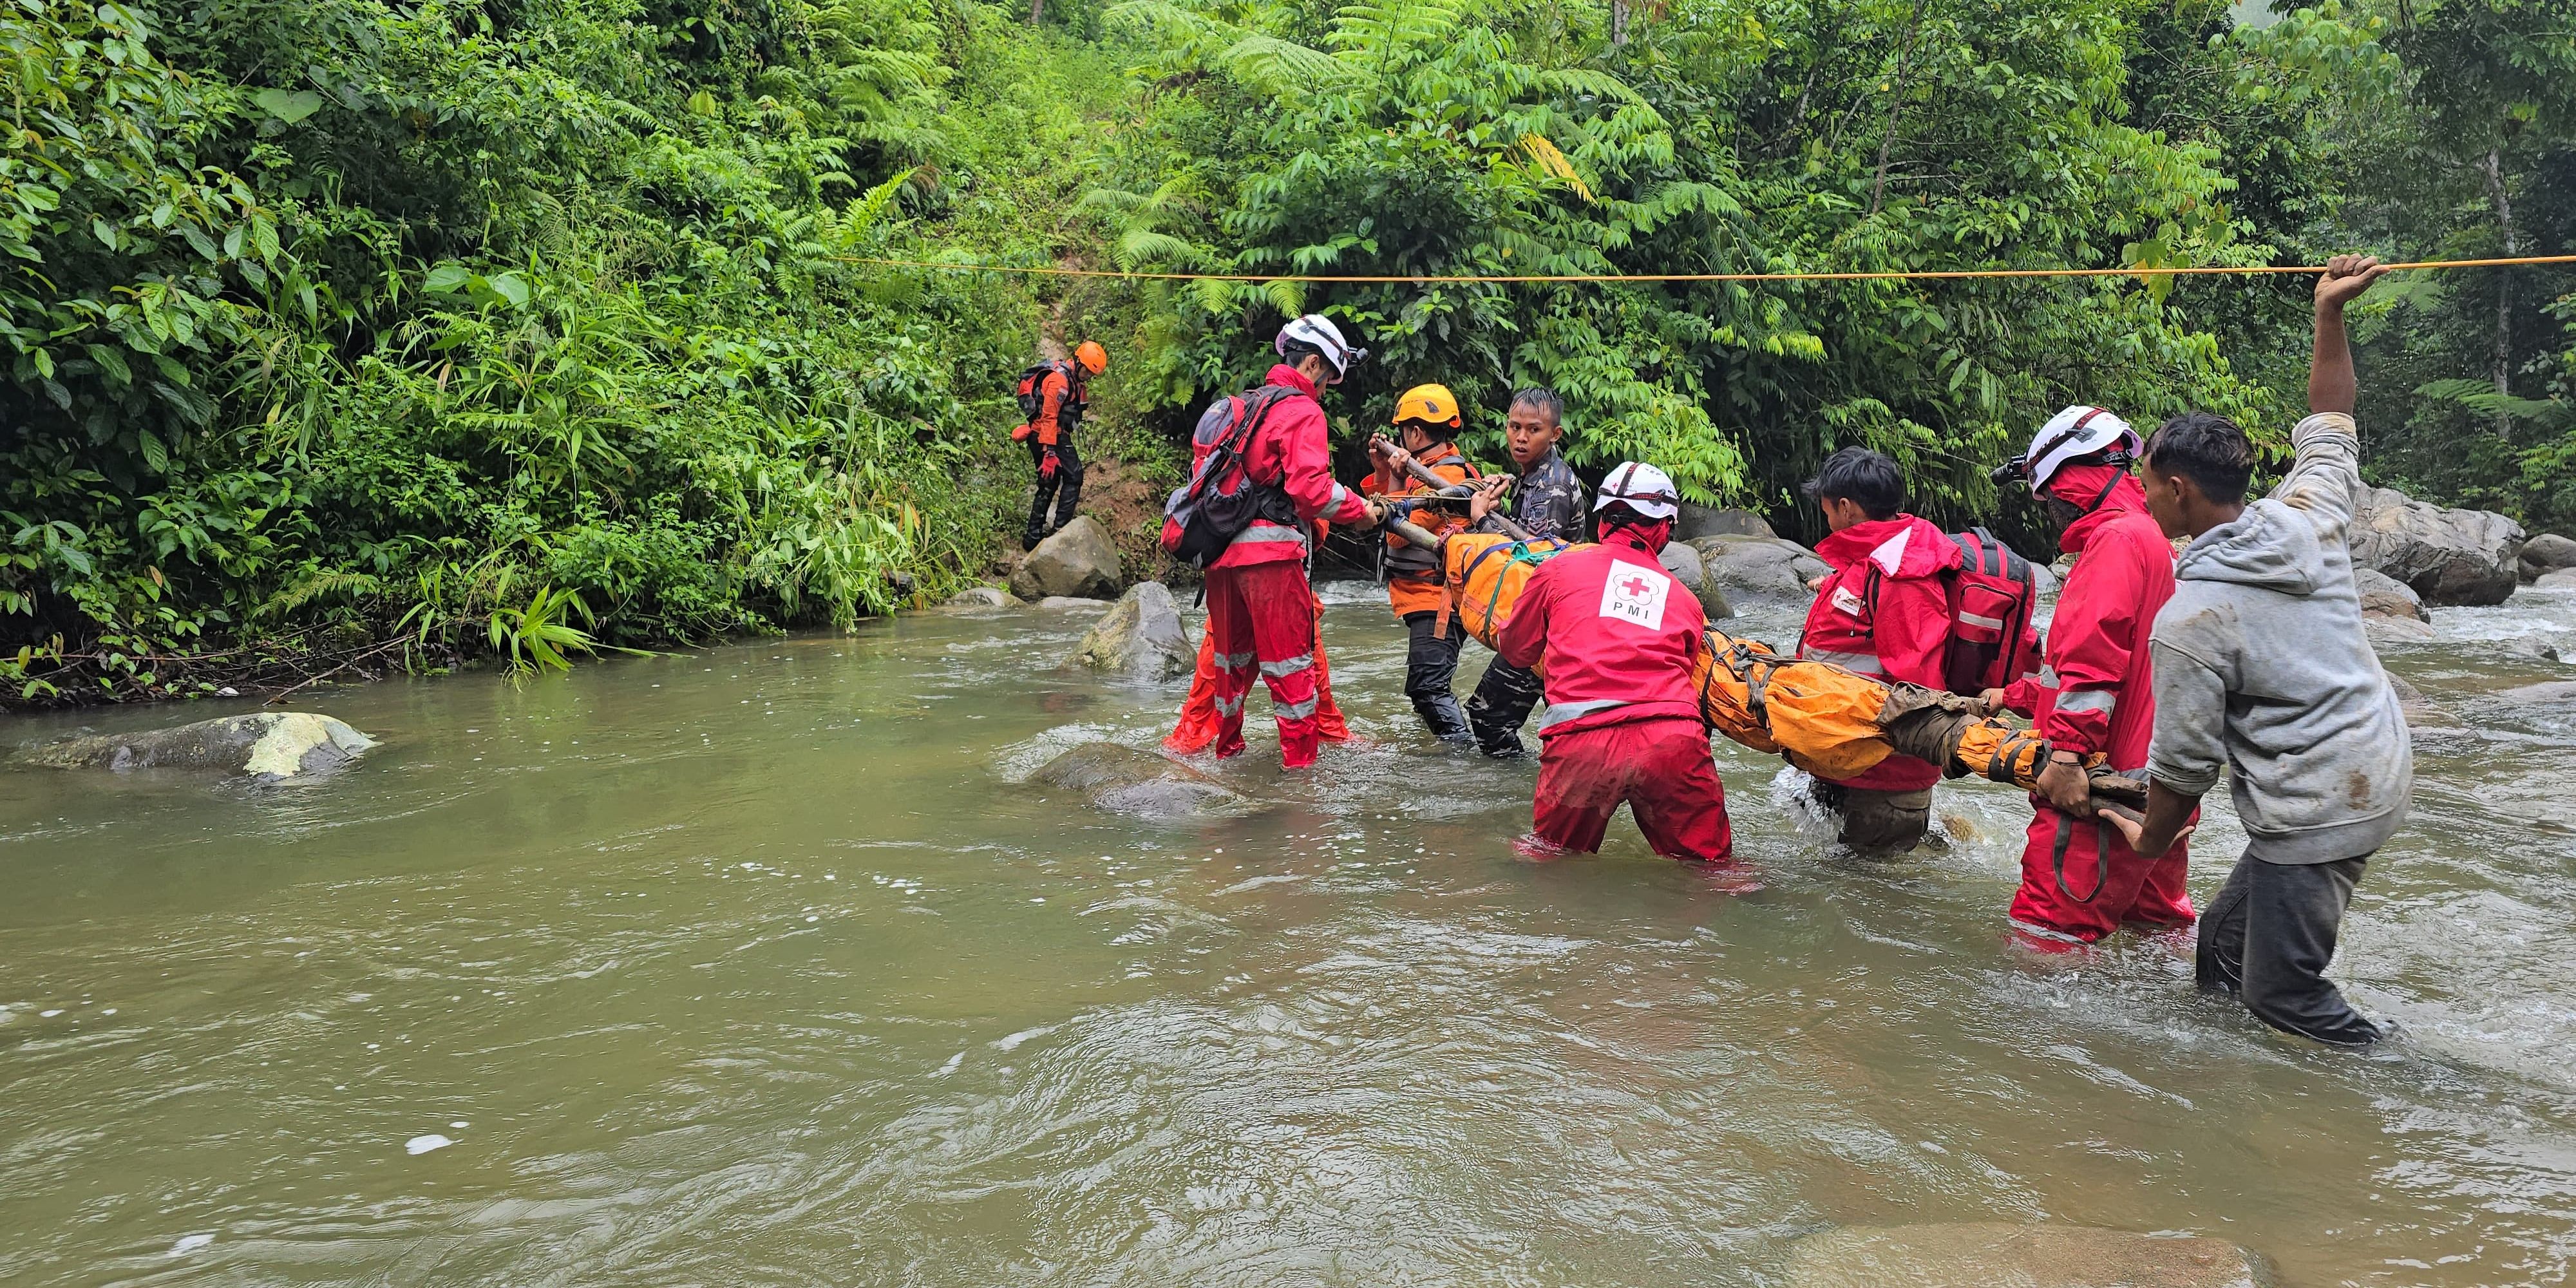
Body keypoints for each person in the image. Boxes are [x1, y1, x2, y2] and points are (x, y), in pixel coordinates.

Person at [2103, 254, 2410, 1046]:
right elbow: (2331, 421)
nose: (2139, 495)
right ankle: (2220, 1076)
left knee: (2284, 996)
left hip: (2320, 806)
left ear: (2178, 491)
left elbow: (2181, 768)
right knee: (2223, 944)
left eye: (2146, 483)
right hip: (2375, 761)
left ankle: (2424, 1099)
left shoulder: (2193, 618)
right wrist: (2328, 314)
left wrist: (2146, 836)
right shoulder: (2306, 514)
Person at [1984, 404, 2195, 944]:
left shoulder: (2116, 542)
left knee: (2048, 943)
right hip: (2161, 792)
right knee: (2155, 940)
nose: (2046, 509)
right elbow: (2125, 671)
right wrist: (2011, 695)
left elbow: (2095, 659)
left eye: (2047, 494)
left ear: (2072, 481)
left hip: (2103, 794)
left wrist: (2068, 760)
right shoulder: (2153, 540)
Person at [1484, 462, 1731, 862]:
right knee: (1714, 871)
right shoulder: (1686, 601)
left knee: (1550, 863)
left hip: (1582, 739)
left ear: (1602, 522)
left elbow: (1516, 651)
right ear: (1665, 529)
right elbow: (1688, 672)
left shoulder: (1557, 570)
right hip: (1673, 737)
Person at [1197, 314, 1382, 769]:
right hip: (1271, 558)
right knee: (1292, 673)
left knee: (1230, 669)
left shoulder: (1237, 408)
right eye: (1328, 380)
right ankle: (1302, 783)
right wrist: (1363, 513)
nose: (1325, 391)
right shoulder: (1301, 410)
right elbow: (1312, 490)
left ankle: (1226, 759)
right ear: (1314, 364)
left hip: (1219, 556)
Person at [1795, 446, 1961, 851]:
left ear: (1847, 508)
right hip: (1851, 761)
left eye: (1829, 510)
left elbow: (1919, 684)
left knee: (1870, 900)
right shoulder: (1876, 557)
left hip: (1883, 778)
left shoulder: (1903, 575)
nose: (1828, 519)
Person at [1463, 386, 1586, 757]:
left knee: (1489, 715)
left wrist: (1482, 518)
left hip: (1550, 624)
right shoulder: (1530, 476)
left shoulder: (1553, 485)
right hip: (1545, 621)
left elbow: (1535, 558)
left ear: (1555, 435)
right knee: (1562, 721)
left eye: (1533, 430)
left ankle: (1515, 794)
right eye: (1514, 427)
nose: (1520, 437)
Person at [1363, 384, 1485, 743]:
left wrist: (1398, 477)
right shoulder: (1428, 470)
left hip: (1438, 601)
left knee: (1428, 690)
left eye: (1404, 430)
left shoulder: (1446, 478)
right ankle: (1449, 750)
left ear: (1415, 433)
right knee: (1425, 691)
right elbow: (1382, 507)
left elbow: (1397, 534)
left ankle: (1462, 758)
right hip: (1424, 599)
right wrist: (1385, 472)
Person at [1167, 524, 1354, 753]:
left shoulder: (1219, 487)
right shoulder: (1293, 487)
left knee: (1199, 720)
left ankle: (1192, 760)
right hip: (1284, 588)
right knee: (1316, 705)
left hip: (1230, 590)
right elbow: (1316, 528)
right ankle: (1302, 768)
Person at [1018, 341, 1109, 551]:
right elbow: (1049, 417)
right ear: (1078, 362)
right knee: (1073, 476)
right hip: (1046, 436)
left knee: (1049, 483)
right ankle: (1059, 532)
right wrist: (1049, 452)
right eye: (1087, 371)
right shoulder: (1060, 381)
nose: (1088, 377)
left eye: (1092, 375)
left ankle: (1033, 538)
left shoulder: (1072, 379)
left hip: (1050, 435)